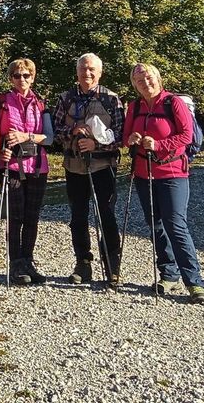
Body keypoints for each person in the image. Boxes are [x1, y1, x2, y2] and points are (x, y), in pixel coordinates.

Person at [125, 62, 204, 304]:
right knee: (156, 225)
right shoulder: (134, 107)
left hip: (172, 173)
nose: (145, 83)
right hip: (143, 174)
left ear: (158, 78)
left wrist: (159, 144)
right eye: (139, 81)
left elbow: (186, 136)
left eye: (149, 77)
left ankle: (194, 282)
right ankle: (168, 274)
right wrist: (132, 138)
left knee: (176, 225)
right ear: (135, 85)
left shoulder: (173, 102)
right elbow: (125, 138)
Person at [52, 53, 124, 287]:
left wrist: (97, 145)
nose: (87, 73)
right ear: (77, 72)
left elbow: (121, 136)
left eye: (92, 69)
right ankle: (83, 263)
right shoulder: (65, 98)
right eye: (83, 69)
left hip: (103, 166)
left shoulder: (111, 99)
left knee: (106, 215)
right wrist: (73, 131)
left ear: (100, 72)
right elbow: (55, 131)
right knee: (78, 217)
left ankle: (112, 266)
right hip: (74, 167)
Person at [0, 58, 54, 285]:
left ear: (32, 77)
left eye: (26, 75)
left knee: (32, 217)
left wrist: (26, 136)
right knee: (15, 217)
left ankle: (28, 261)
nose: (22, 79)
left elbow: (50, 138)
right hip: (11, 166)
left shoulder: (41, 103)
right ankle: (16, 263)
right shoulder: (1, 102)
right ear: (11, 78)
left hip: (37, 166)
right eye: (17, 75)